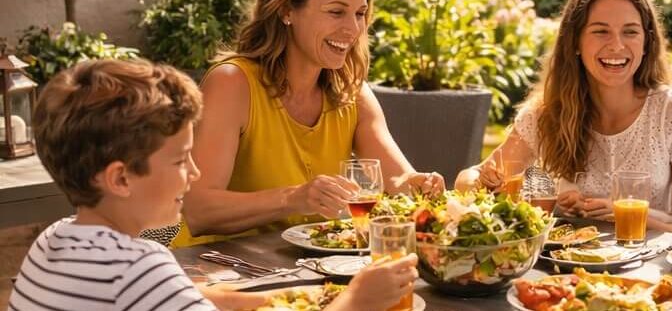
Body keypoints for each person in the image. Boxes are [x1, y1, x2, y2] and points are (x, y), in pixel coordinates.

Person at [9, 59, 418, 311]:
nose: (194, 173)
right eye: (180, 160)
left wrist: (314, 296)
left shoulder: (54, 240)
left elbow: (204, 297)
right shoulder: (138, 270)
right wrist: (354, 303)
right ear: (120, 178)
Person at [175, 0, 443, 246]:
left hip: (308, 267)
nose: (353, 29)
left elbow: (397, 179)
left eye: (360, 13)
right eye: (336, 12)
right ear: (287, 9)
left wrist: (418, 184)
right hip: (217, 267)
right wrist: (293, 198)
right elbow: (198, 209)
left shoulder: (351, 92)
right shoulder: (232, 84)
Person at [456, 0, 672, 236]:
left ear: (647, 42)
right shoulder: (545, 114)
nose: (617, 45)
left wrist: (627, 214)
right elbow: (467, 181)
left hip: (657, 260)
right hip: (563, 261)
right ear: (575, 42)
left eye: (630, 32)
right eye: (601, 31)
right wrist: (484, 182)